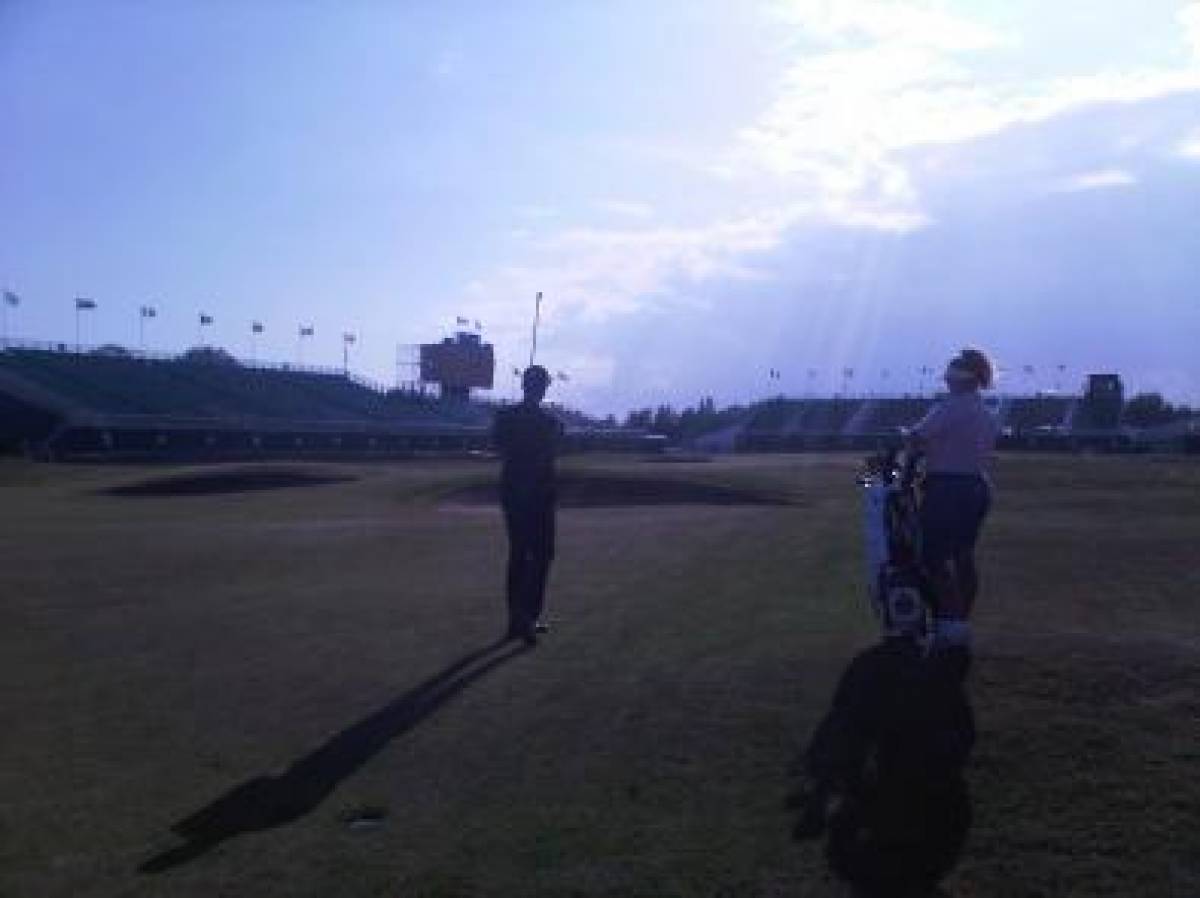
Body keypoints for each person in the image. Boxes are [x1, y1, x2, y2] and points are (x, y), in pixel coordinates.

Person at [905, 348, 998, 652]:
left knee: (932, 558)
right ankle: (960, 621)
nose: (947, 383)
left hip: (947, 488)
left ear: (960, 380)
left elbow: (918, 438)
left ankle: (950, 621)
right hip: (977, 487)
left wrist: (908, 437)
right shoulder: (986, 412)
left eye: (950, 378)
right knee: (963, 557)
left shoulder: (949, 407)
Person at [491, 365, 562, 645]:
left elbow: (498, 446)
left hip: (514, 492)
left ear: (523, 385)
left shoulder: (505, 416)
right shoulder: (549, 422)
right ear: (541, 387)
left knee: (521, 554)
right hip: (538, 494)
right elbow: (554, 449)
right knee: (540, 555)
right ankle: (526, 617)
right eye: (543, 384)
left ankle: (519, 620)